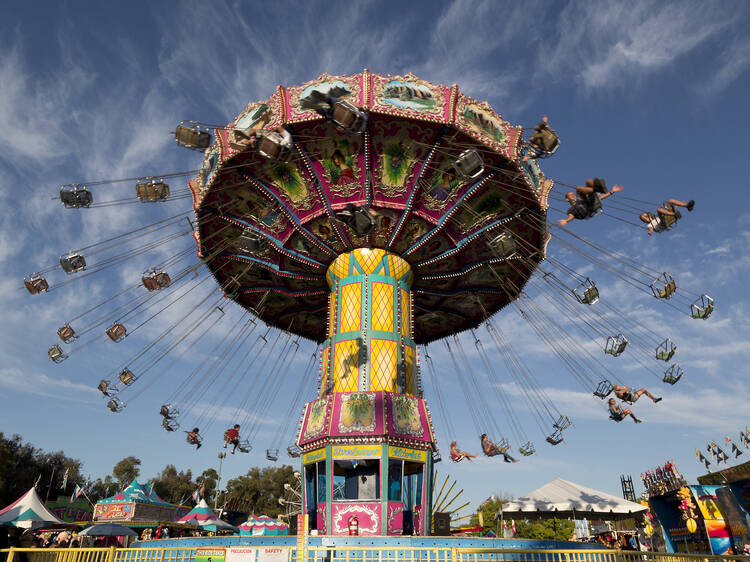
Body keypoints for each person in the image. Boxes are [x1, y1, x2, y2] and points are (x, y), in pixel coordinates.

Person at [558, 179, 622, 226]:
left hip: (590, 204)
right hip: (585, 212)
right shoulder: (572, 209)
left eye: (573, 195)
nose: (573, 196)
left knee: (588, 182)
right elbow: (571, 217)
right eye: (571, 195)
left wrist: (612, 191)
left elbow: (601, 197)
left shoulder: (581, 200)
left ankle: (595, 189)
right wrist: (566, 220)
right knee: (579, 189)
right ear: (567, 199)